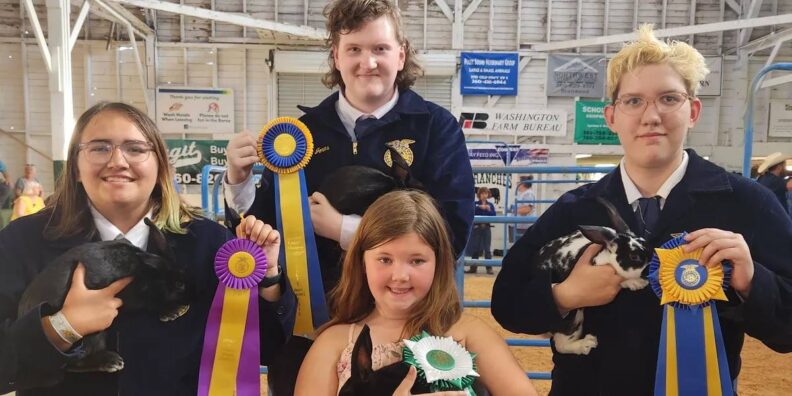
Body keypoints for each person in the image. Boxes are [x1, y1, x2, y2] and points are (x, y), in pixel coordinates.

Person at [491, 25, 792, 395]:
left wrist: (751, 280)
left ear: (693, 110)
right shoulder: (573, 211)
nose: (651, 116)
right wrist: (565, 295)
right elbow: (506, 303)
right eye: (633, 101)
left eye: (669, 99)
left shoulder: (747, 203)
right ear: (611, 117)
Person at [0, 102, 296, 395]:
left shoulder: (210, 244)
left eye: (135, 149)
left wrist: (269, 276)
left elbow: (265, 350)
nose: (117, 160)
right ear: (76, 167)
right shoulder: (23, 242)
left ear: (160, 164)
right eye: (100, 147)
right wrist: (62, 327)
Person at [223, 0, 474, 296]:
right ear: (337, 57)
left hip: (406, 309)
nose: (367, 63)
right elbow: (263, 232)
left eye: (380, 48)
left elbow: (451, 234)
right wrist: (239, 183)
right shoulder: (300, 135)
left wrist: (344, 229)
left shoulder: (437, 127)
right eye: (354, 49)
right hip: (315, 311)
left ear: (401, 56)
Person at [294, 190, 537, 395]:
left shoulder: (470, 334)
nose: (400, 275)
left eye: (417, 261)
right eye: (385, 259)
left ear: (438, 263)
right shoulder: (333, 343)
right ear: (361, 263)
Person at [466, 187, 496, 275]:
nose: (484, 196)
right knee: (476, 248)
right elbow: (471, 212)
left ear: (488, 195)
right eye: (482, 194)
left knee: (487, 248)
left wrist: (488, 209)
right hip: (477, 228)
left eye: (486, 194)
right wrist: (480, 207)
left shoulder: (490, 205)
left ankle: (489, 268)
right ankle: (473, 267)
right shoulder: (475, 204)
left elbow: (493, 215)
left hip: (486, 227)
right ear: (479, 195)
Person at [513, 175, 536, 241]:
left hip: (524, 227)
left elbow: (526, 209)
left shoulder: (528, 194)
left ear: (522, 184)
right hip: (520, 225)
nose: (517, 184)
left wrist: (514, 210)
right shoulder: (523, 194)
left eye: (518, 182)